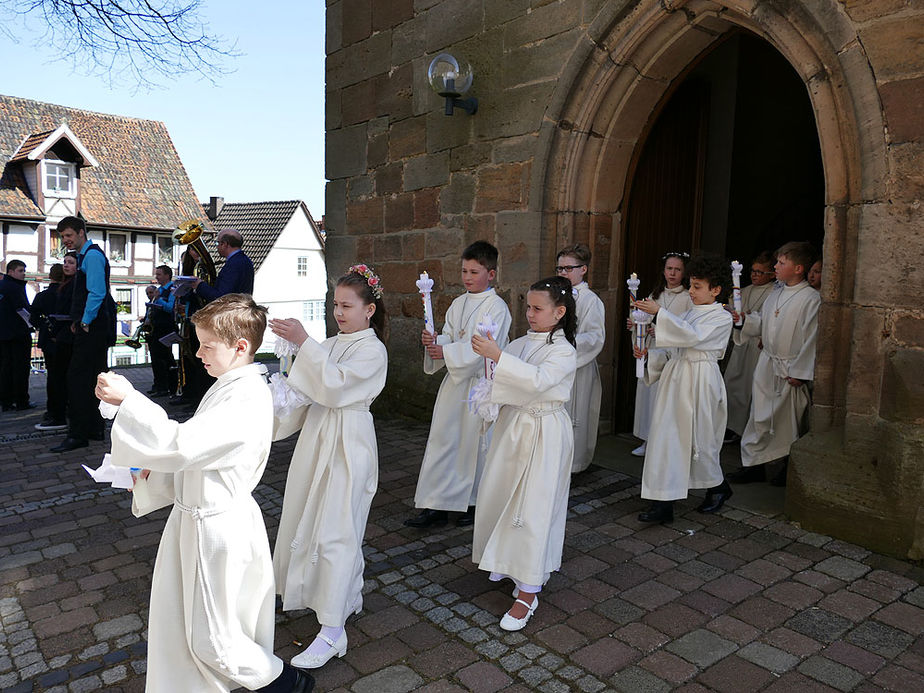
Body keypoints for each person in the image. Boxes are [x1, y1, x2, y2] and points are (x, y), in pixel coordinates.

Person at [95, 294, 314, 693]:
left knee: (212, 634)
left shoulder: (244, 397)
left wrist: (130, 402)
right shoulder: (230, 385)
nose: (198, 354)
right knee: (183, 621)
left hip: (215, 525)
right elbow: (200, 451)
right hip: (197, 516)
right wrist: (155, 468)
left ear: (241, 347)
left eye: (207, 345)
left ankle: (285, 682)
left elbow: (181, 445)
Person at [268, 265, 388, 669]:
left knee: (338, 526)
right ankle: (341, 594)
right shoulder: (334, 343)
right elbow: (308, 391)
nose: (339, 312)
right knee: (308, 516)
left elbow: (335, 386)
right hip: (317, 438)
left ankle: (333, 631)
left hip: (348, 441)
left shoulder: (373, 350)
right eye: (335, 304)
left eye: (347, 306)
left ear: (370, 309)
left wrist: (304, 343)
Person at [470, 276, 577, 632]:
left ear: (559, 312)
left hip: (544, 430)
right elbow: (500, 378)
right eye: (527, 307)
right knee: (505, 500)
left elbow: (537, 381)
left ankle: (529, 590)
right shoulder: (518, 343)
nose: (529, 314)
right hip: (514, 428)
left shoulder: (564, 350)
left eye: (537, 308)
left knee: (534, 507)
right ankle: (508, 560)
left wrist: (498, 356)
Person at [405, 241, 512, 528]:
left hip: (480, 386)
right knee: (444, 442)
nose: (467, 277)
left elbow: (486, 348)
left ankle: (473, 502)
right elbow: (452, 336)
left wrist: (447, 351)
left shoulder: (497, 308)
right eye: (464, 270)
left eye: (474, 272)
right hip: (455, 386)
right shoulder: (458, 303)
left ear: (491, 274)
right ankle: (436, 504)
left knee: (474, 446)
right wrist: (436, 341)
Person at [632, 254, 736, 524]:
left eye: (697, 287)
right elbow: (676, 347)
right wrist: (648, 356)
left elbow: (693, 338)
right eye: (690, 285)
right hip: (677, 378)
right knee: (667, 438)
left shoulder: (721, 317)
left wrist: (659, 313)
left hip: (700, 379)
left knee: (698, 439)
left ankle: (718, 486)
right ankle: (663, 503)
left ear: (716, 290)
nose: (690, 291)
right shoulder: (690, 311)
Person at [730, 241, 821, 486]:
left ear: (799, 268)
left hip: (789, 370)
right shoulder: (776, 294)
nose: (776, 267)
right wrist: (744, 320)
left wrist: (801, 371)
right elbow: (762, 323)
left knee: (788, 422)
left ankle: (786, 468)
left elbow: (812, 336)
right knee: (759, 417)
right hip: (767, 364)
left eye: (782, 263)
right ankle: (754, 466)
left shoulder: (811, 298)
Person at [51, 216, 117, 453]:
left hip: (93, 327)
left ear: (81, 232)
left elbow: (97, 293)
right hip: (92, 326)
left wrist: (85, 321)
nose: (65, 240)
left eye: (68, 235)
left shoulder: (92, 256)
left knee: (77, 379)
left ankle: (78, 434)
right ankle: (94, 429)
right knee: (92, 378)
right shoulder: (87, 256)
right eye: (63, 237)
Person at [631, 252, 693, 457]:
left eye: (677, 269)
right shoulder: (655, 295)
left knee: (664, 399)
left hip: (672, 354)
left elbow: (686, 327)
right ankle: (647, 439)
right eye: (669, 268)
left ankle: (663, 442)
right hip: (652, 350)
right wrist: (637, 324)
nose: (672, 273)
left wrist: (659, 329)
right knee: (649, 397)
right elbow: (643, 317)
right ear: (663, 270)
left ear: (684, 273)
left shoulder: (688, 298)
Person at [555, 244, 605, 473]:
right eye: (560, 269)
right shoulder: (556, 296)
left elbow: (595, 336)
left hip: (579, 366)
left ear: (583, 269)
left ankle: (574, 466)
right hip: (557, 365)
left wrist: (567, 345)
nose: (563, 273)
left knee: (576, 415)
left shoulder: (590, 300)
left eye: (568, 268)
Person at [722, 251, 776, 442]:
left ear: (772, 274)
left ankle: (744, 428)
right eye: (752, 271)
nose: (754, 275)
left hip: (757, 348)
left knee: (750, 389)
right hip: (740, 344)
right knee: (732, 384)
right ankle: (729, 425)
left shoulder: (774, 293)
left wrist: (749, 319)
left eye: (760, 272)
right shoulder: (743, 291)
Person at [30, 263, 68, 429]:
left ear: (50, 276)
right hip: (66, 338)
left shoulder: (42, 296)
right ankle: (68, 406)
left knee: (53, 376)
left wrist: (44, 326)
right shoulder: (68, 294)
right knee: (67, 374)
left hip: (48, 339)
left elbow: (32, 319)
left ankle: (53, 410)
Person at [0, 259, 34, 412]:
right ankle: (21, 401)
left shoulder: (2, 286)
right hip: (18, 333)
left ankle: (6, 402)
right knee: (20, 368)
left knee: (5, 368)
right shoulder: (15, 287)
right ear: (11, 272)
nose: (23, 274)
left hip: (3, 334)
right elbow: (23, 309)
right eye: (20, 271)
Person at [193, 228, 255, 301]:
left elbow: (221, 297)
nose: (217, 247)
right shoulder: (245, 260)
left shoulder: (233, 265)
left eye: (217, 243)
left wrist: (199, 285)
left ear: (225, 244)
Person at [148, 265, 177, 396]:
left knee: (164, 358)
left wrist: (158, 299)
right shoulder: (159, 289)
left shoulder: (172, 289)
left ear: (167, 275)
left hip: (165, 329)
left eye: (159, 274)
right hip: (156, 328)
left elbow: (171, 308)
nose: (157, 277)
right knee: (156, 358)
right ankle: (158, 385)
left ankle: (166, 387)